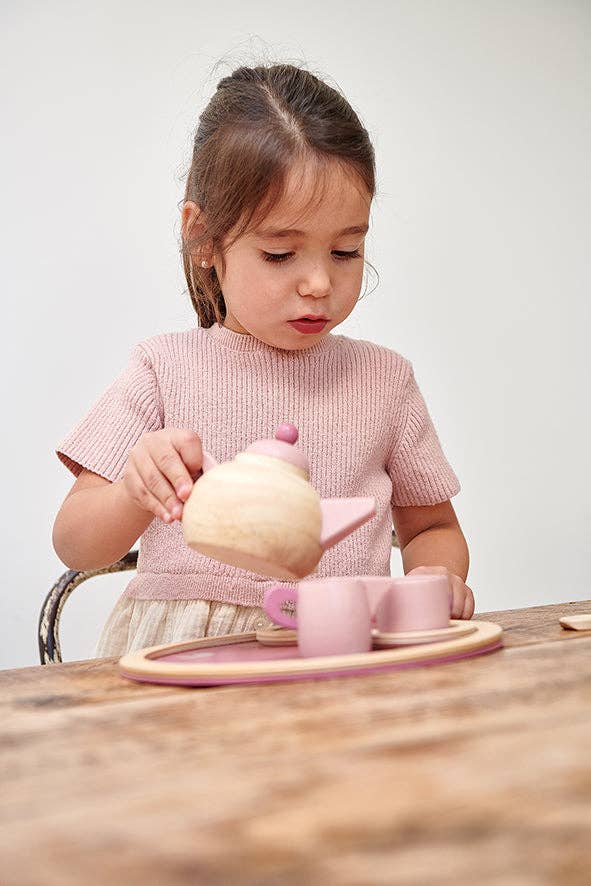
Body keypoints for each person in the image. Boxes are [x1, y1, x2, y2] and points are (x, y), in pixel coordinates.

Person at [53, 62, 474, 658]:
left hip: (342, 652)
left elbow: (432, 529)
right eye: (280, 253)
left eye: (347, 249)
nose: (319, 282)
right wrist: (130, 493)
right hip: (185, 674)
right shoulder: (162, 369)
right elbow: (74, 543)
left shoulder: (386, 381)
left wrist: (434, 576)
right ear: (202, 238)